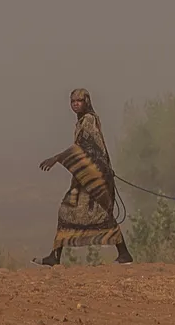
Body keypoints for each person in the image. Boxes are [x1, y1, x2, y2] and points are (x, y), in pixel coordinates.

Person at [33, 88, 134, 266]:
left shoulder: (88, 120)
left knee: (97, 213)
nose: (75, 104)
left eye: (79, 101)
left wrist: (57, 158)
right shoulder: (83, 121)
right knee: (70, 211)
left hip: (93, 177)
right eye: (73, 101)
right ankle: (55, 256)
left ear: (86, 101)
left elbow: (85, 149)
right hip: (85, 177)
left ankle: (124, 253)